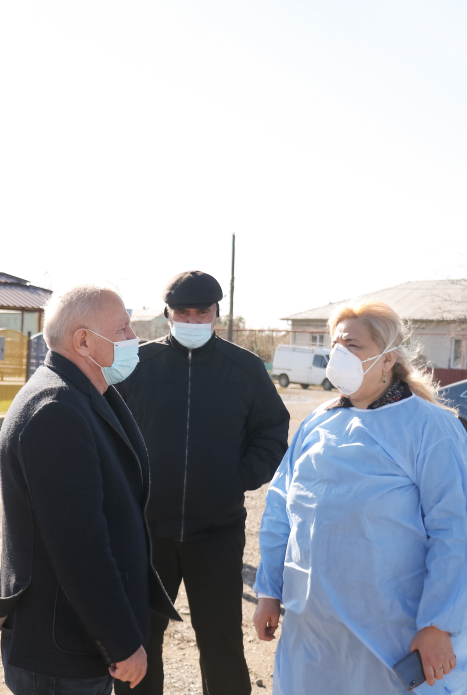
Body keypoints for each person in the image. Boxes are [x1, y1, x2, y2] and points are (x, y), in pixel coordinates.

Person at [253, 299, 467, 695]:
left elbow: (455, 531)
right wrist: (269, 590)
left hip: (392, 636)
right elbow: (280, 509)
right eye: (336, 344)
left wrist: (438, 624)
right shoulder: (318, 423)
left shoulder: (431, 428)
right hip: (312, 634)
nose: (339, 355)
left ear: (388, 358)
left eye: (353, 346)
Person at [116, 270, 290, 695]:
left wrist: (238, 478)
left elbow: (272, 431)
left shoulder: (245, 368)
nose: (192, 320)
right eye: (183, 313)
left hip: (217, 531)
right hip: (145, 532)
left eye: (202, 312)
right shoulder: (136, 364)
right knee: (140, 639)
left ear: (217, 313)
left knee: (221, 641)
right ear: (167, 314)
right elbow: (108, 429)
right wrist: (126, 486)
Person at [0, 285, 179, 695]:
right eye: (122, 329)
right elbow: (79, 546)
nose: (134, 338)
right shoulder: (56, 410)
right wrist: (121, 642)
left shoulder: (82, 393)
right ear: (83, 341)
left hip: (72, 640)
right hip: (61, 650)